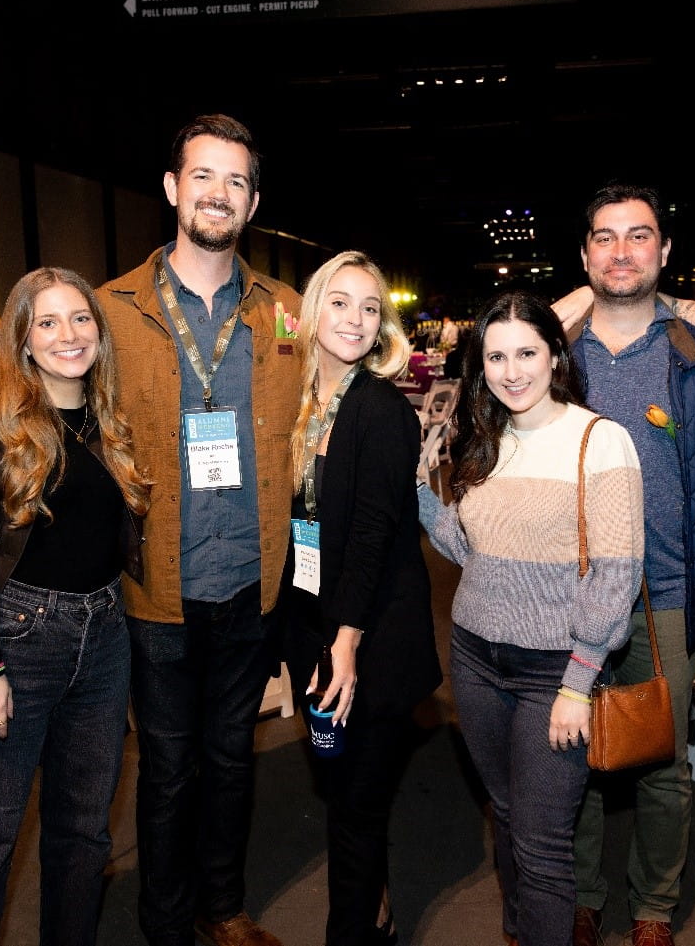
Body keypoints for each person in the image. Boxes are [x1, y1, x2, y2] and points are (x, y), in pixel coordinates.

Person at [0, 114, 300, 946]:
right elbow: (19, 382)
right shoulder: (109, 309)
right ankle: (165, 925)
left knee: (226, 763)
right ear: (172, 189)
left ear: (254, 200)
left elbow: (352, 364)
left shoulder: (287, 314)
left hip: (250, 580)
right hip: (149, 591)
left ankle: (223, 907)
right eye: (203, 175)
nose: (218, 193)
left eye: (236, 180)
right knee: (161, 775)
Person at [0, 266, 150, 946]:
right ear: (21, 337)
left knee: (84, 836)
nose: (67, 334)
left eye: (80, 318)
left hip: (104, 637)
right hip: (16, 640)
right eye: (46, 322)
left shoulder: (109, 412)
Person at [417, 290, 644, 946]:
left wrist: (578, 681)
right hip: (475, 660)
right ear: (479, 364)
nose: (512, 370)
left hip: (555, 672)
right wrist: (417, 489)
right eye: (496, 356)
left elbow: (616, 574)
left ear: (554, 355)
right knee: (510, 817)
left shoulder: (601, 441)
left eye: (526, 352)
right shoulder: (484, 440)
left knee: (543, 844)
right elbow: (469, 550)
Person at [559, 184, 695, 946]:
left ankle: (655, 907)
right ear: (586, 254)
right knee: (575, 753)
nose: (621, 251)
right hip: (568, 590)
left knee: (663, 762)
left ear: (663, 251)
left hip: (667, 588)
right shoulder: (555, 354)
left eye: (639, 236)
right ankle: (580, 893)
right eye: (605, 237)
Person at [281, 250, 442, 946]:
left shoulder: (379, 409)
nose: (355, 319)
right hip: (315, 622)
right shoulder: (302, 404)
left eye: (370, 307)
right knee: (341, 788)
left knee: (353, 806)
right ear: (314, 312)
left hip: (369, 635)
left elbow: (376, 534)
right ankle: (374, 911)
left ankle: (351, 930)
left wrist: (344, 644)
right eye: (341, 302)